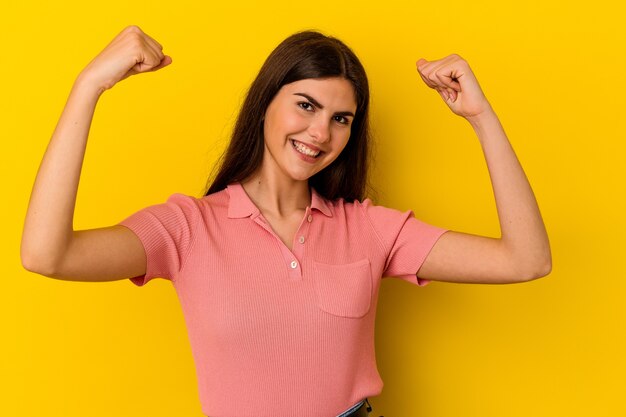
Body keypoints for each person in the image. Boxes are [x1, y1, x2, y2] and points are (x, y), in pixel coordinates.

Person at [21, 25, 551, 417]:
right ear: (265, 104)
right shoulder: (186, 228)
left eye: (340, 118)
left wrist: (481, 118)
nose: (320, 132)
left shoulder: (368, 229)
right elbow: (47, 255)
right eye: (305, 105)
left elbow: (526, 260)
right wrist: (88, 86)